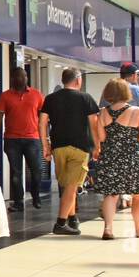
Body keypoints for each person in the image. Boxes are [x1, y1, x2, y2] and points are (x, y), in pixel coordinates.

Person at [39, 67, 103, 236]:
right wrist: (97, 146)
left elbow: (42, 122)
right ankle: (60, 223)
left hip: (58, 147)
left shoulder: (51, 99)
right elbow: (93, 124)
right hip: (80, 147)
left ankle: (73, 217)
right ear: (78, 80)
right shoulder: (86, 98)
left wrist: (45, 145)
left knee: (67, 183)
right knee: (71, 184)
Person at [92, 78, 139, 240]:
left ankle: (108, 229)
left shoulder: (103, 113)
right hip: (133, 157)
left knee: (111, 194)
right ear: (127, 92)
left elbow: (102, 137)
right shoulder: (136, 111)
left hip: (110, 157)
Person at [0, 67, 44, 212]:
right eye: (17, 77)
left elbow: (43, 117)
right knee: (16, 173)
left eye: (23, 76)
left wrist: (45, 136)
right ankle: (18, 202)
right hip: (12, 140)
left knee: (37, 170)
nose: (21, 79)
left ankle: (35, 195)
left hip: (32, 139)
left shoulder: (37, 95)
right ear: (12, 78)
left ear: (27, 78)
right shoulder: (5, 96)